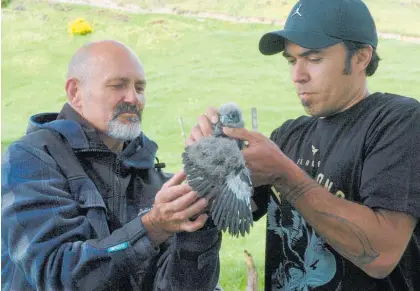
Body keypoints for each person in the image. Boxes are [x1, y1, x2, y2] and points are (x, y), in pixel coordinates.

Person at [188, 0, 420, 290]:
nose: (298, 75)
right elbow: (230, 213)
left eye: (314, 59)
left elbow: (382, 254)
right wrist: (210, 166)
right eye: (292, 60)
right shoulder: (289, 135)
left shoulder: (397, 121)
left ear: (361, 58)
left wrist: (287, 177)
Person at [1, 40, 222, 291]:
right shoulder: (30, 159)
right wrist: (151, 227)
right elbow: (57, 274)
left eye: (140, 87)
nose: (134, 98)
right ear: (75, 92)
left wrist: (201, 214)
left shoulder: (153, 177)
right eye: (118, 85)